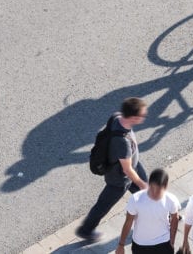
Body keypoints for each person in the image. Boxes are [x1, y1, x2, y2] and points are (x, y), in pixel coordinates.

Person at [76, 97, 150, 243]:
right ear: (134, 118)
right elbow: (127, 169)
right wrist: (141, 184)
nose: (145, 117)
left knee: (148, 194)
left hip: (132, 166)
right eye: (143, 115)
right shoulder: (122, 142)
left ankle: (162, 215)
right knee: (103, 205)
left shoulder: (117, 117)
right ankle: (86, 230)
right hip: (120, 179)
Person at [116, 168, 180, 254]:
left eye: (158, 190)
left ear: (165, 187)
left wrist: (172, 241)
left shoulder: (171, 200)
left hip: (163, 242)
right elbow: (128, 222)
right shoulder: (136, 199)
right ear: (149, 184)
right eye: (152, 188)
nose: (154, 193)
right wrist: (121, 245)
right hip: (140, 244)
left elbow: (175, 220)